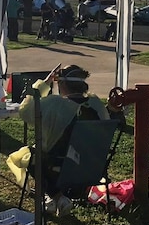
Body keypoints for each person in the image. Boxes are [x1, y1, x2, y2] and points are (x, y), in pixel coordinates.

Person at [18, 64, 124, 216]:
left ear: (61, 84)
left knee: (30, 156)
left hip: (59, 167)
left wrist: (44, 85)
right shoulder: (96, 105)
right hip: (91, 167)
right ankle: (56, 198)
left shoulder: (54, 104)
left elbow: (25, 111)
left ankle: (57, 196)